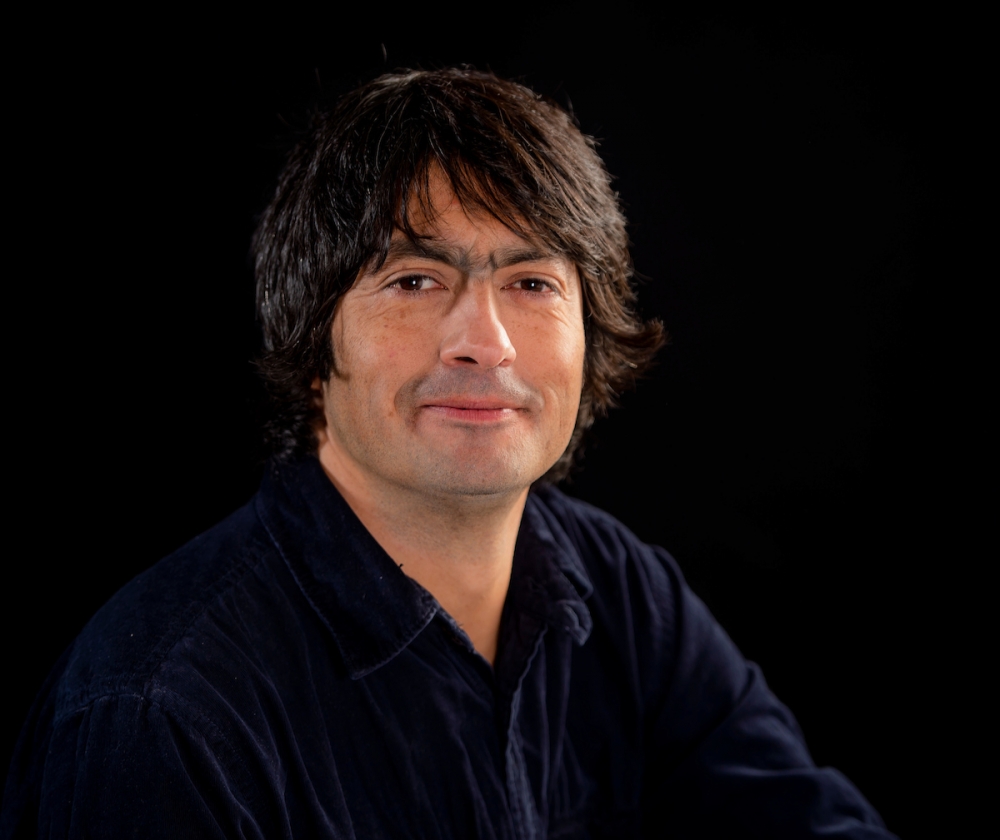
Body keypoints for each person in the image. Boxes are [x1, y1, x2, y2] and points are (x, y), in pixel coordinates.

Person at [1, 68, 896, 838]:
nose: (486, 343)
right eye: (415, 280)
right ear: (311, 341)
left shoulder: (620, 593)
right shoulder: (163, 711)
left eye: (532, 282)